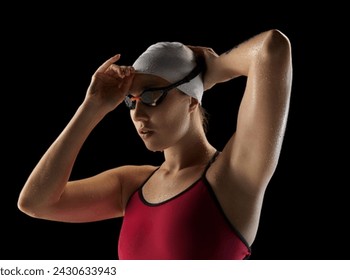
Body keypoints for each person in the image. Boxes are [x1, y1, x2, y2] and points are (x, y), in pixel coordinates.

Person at [17, 29, 293, 260]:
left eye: (151, 96)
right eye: (131, 101)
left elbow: (272, 47)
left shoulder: (233, 175)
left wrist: (214, 70)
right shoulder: (133, 185)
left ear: (191, 100)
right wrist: (92, 108)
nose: (137, 114)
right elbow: (36, 203)